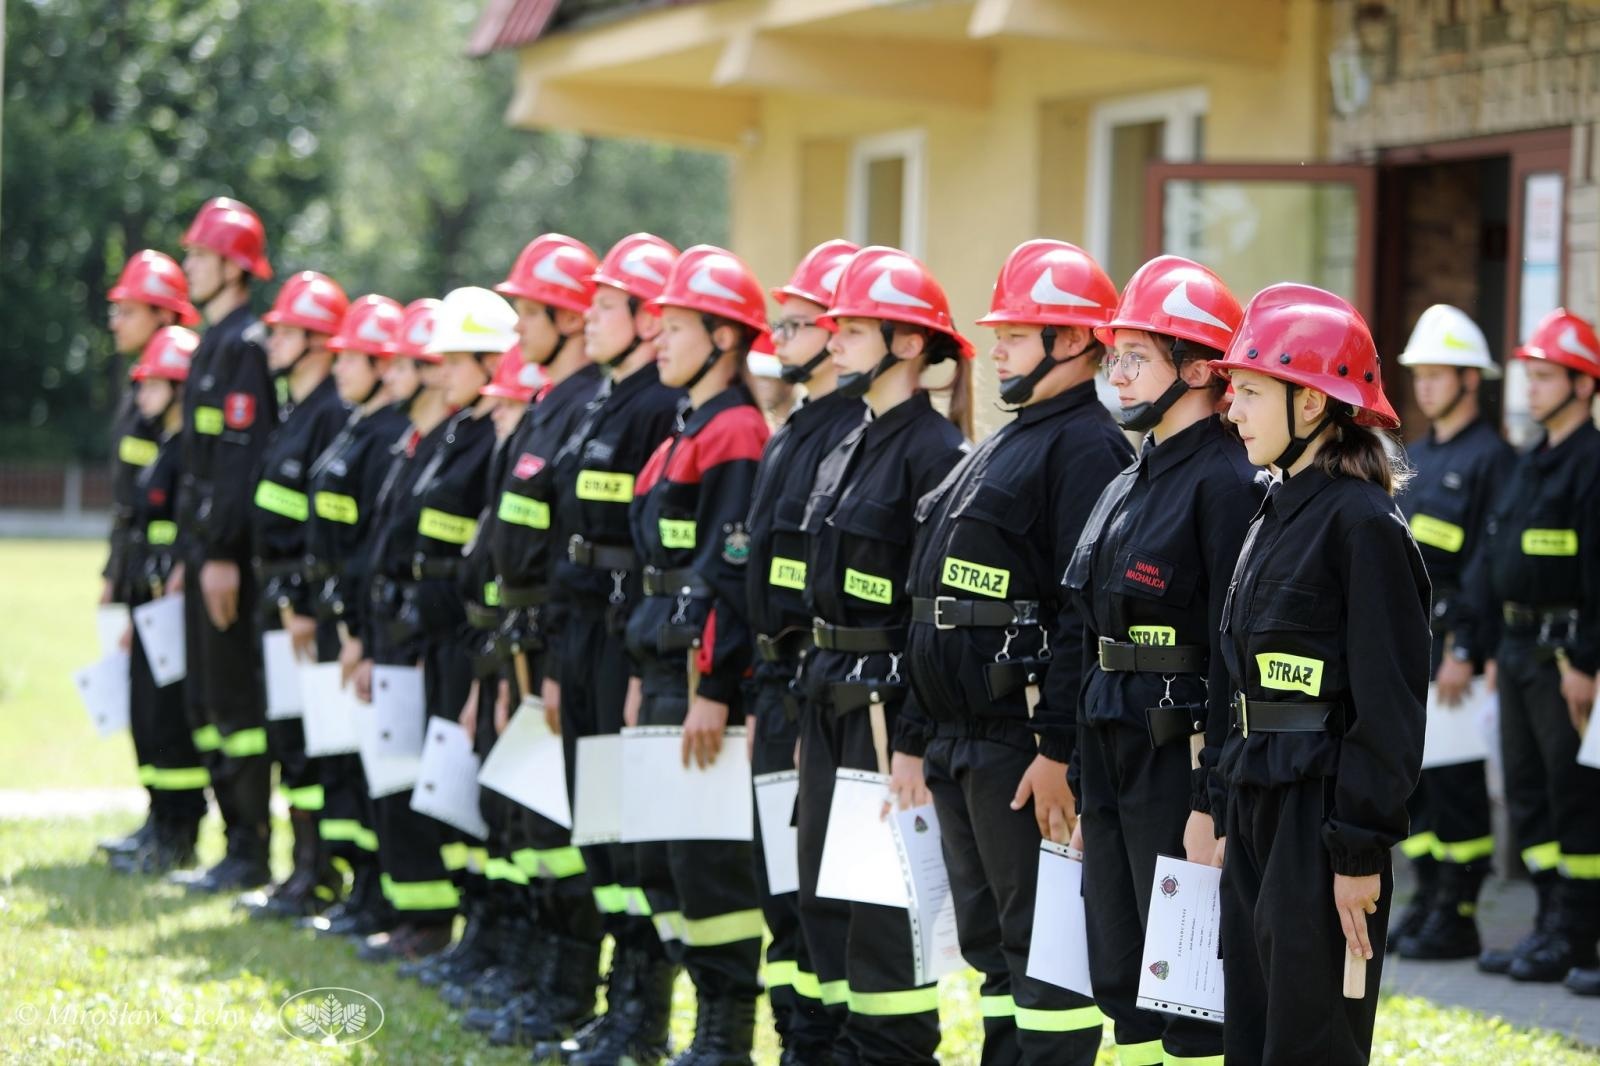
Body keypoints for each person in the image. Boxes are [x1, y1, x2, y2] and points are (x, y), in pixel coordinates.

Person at [905, 240, 1131, 1066]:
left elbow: (1083, 615)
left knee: (1046, 960)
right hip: (958, 739)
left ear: (1071, 341)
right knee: (994, 950)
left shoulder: (1087, 447)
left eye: (1016, 331)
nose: (994, 344)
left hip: (1018, 745)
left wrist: (1056, 750)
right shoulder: (1012, 437)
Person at [1208, 283, 1428, 1064]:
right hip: (1257, 805)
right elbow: (1233, 678)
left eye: (1251, 390)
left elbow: (1389, 709)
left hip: (1322, 822)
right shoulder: (1271, 513)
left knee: (1311, 1045)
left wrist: (1359, 852)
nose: (1232, 409)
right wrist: (1221, 807)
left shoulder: (1365, 527)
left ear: (1311, 405)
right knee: (1253, 1036)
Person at [1057, 253, 1252, 1066]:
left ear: (1203, 369)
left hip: (1177, 757)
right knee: (1121, 973)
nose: (1119, 373)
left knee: (1186, 987)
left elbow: (1233, 654)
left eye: (1138, 356)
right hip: (1110, 743)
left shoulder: (1228, 481)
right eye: (1115, 355)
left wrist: (1211, 798)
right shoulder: (1132, 475)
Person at [797, 245, 972, 1066]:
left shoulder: (934, 452)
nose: (833, 343)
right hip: (827, 693)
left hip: (880, 705)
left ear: (906, 344)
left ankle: (893, 1053)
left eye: (852, 328)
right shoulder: (849, 443)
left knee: (883, 913)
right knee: (827, 900)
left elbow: (926, 616)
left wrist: (910, 737)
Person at [450, 234, 611, 1051]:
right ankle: (537, 976)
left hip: (553, 647)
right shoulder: (551, 400)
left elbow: (566, 542)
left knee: (556, 830)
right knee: (525, 821)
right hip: (516, 642)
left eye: (526, 312)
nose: (516, 329)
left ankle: (568, 991)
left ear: (567, 317)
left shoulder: (587, 406)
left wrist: (543, 655)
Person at [621, 244, 772, 1065]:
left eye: (675, 327)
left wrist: (712, 683)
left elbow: (728, 569)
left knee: (708, 865)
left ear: (724, 337)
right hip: (659, 672)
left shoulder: (737, 429)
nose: (658, 341)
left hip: (698, 677)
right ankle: (695, 1027)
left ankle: (725, 1038)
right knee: (661, 862)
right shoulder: (689, 424)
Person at [540, 233, 684, 1066]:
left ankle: (642, 1014)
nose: (588, 318)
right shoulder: (601, 399)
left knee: (629, 833)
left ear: (644, 316)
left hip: (621, 635)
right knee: (595, 823)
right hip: (580, 630)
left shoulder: (656, 407)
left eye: (604, 305)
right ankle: (614, 1005)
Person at [357, 286, 516, 962]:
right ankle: (431, 924)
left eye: (453, 360)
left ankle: (459, 927)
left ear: (490, 361)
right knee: (422, 777)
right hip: (420, 631)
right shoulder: (454, 432)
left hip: (456, 635)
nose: (438, 372)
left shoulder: (492, 437)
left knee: (458, 784)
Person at [742, 238, 862, 1063]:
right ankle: (795, 1039)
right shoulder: (794, 427)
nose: (780, 335)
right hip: (779, 683)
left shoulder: (849, 432)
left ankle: (822, 1045)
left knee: (822, 892)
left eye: (799, 322)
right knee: (780, 885)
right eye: (778, 322)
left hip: (818, 688)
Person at [1459, 308, 1600, 990]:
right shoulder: (1528, 461)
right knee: (1528, 796)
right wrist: (1486, 650)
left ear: (1583, 384)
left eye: (1545, 377)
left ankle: (1577, 934)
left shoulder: (1592, 464)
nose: (1531, 389)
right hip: (1515, 655)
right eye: (1529, 376)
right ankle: (1546, 925)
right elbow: (1495, 557)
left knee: (1572, 796)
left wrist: (1586, 661)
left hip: (1563, 660)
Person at [1390, 305, 1513, 960]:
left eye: (1441, 375)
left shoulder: (1492, 458)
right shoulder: (1421, 455)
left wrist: (1467, 647)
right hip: (1416, 644)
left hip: (1454, 651)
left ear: (1472, 381)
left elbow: (1486, 567)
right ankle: (1430, 897)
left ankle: (1460, 913)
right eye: (1422, 374)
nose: (1427, 386)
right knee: (1419, 782)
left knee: (1459, 786)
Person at [298, 293, 411, 938]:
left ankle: (376, 892)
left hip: (358, 628)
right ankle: (358, 888)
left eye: (355, 358)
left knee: (369, 765)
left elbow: (373, 549)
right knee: (341, 759)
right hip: (336, 619)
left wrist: (356, 634)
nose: (340, 369)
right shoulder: (353, 426)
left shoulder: (386, 439)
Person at [173, 196, 278, 894]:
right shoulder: (211, 343)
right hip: (198, 550)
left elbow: (242, 463)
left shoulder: (247, 346)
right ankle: (230, 844)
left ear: (234, 268)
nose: (188, 265)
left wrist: (218, 556)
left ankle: (249, 850)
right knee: (206, 704)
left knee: (235, 706)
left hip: (225, 560)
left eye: (200, 256)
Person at [242, 269, 353, 920]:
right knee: (289, 734)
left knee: (311, 738)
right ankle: (301, 866)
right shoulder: (294, 413)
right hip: (279, 602)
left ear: (317, 341)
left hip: (300, 609)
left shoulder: (330, 415)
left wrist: (301, 604)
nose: (272, 341)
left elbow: (320, 527)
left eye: (284, 331)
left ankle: (317, 872)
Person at [98, 249, 201, 863]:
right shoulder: (142, 400)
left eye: (127, 310)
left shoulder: (185, 419)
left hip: (170, 584)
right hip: (139, 574)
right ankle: (158, 820)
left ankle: (177, 829)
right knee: (143, 703)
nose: (115, 322)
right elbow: (127, 503)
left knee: (168, 707)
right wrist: (115, 572)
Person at [113, 326, 210, 875]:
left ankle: (180, 833)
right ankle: (158, 822)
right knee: (147, 714)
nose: (142, 396)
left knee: (170, 718)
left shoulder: (191, 453)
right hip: (148, 594)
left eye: (154, 385)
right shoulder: (163, 443)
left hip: (172, 599)